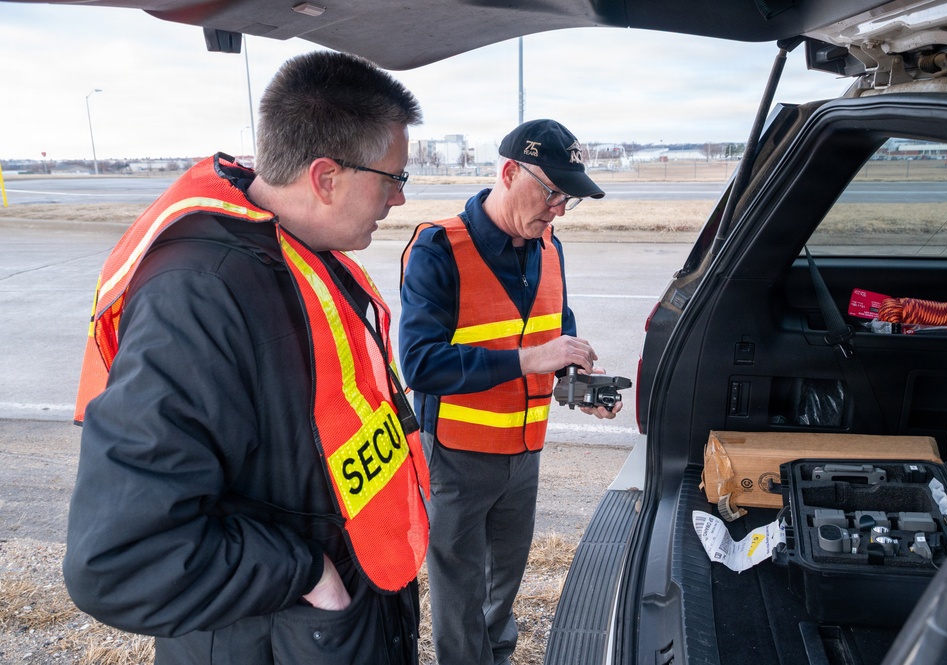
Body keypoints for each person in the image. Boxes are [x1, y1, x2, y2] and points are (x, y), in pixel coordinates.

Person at [63, 50, 431, 665]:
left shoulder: (304, 253)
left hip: (343, 627)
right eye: (393, 178)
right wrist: (309, 575)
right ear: (325, 177)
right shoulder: (202, 293)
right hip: (279, 636)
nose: (397, 198)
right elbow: (119, 558)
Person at [399, 118, 622, 665]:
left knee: (507, 582)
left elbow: (555, 338)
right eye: (551, 192)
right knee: (459, 589)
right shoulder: (438, 248)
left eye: (568, 198)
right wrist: (532, 359)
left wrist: (580, 387)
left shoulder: (550, 247)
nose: (559, 209)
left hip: (524, 454)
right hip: (457, 457)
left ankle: (495, 656)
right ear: (507, 172)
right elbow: (420, 364)